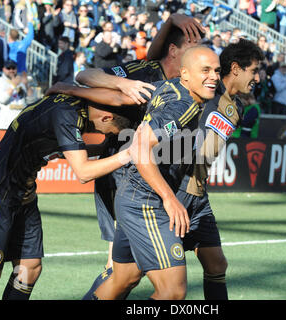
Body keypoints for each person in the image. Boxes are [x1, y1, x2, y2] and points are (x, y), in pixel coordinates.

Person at [0, 85, 146, 299]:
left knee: (29, 269)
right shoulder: (67, 115)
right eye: (108, 132)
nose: (101, 134)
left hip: (24, 195)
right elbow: (83, 172)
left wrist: (104, 150)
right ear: (107, 118)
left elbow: (65, 150)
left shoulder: (71, 103)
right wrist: (128, 155)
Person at [98, 46, 221, 300]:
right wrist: (169, 197)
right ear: (185, 74)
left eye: (217, 71)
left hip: (132, 196)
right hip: (144, 202)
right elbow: (141, 146)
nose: (214, 77)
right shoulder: (184, 105)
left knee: (123, 279)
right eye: (205, 70)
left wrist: (68, 89)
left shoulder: (170, 86)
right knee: (172, 291)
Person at [0, 60, 33, 129]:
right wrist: (13, 85)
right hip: (3, 126)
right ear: (3, 69)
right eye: (8, 68)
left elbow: (32, 101)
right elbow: (3, 100)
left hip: (20, 126)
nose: (11, 70)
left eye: (13, 68)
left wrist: (27, 85)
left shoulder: (21, 82)